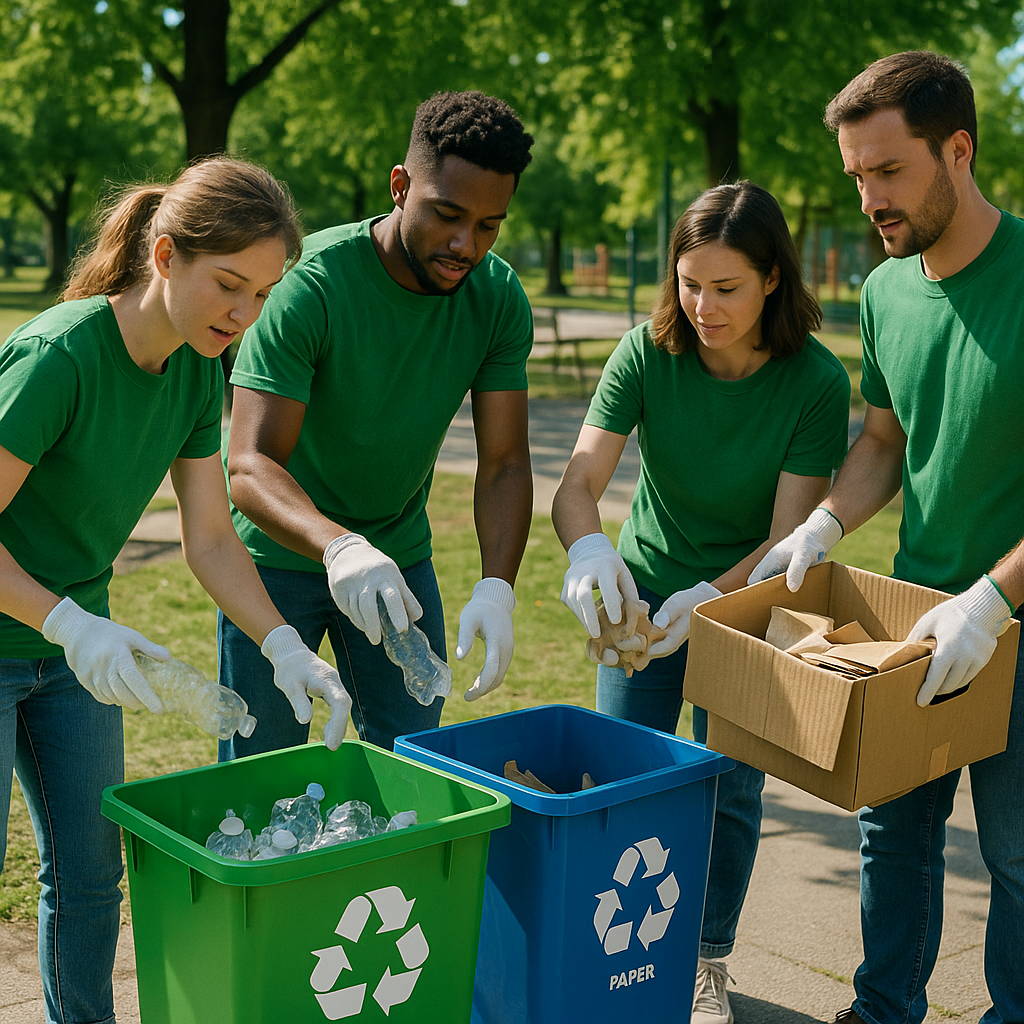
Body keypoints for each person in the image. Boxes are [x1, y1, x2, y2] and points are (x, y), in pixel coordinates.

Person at [0, 158, 352, 1024]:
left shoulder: (199, 370)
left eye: (263, 294)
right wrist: (66, 621)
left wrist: (283, 647)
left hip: (74, 654)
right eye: (229, 285)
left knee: (91, 874)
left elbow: (211, 540)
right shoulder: (58, 356)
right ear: (164, 257)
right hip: (39, 630)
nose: (244, 316)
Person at [750, 50, 1024, 1024]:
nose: (869, 197)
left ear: (957, 149)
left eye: (887, 170)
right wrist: (823, 522)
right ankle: (879, 1011)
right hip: (916, 615)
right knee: (890, 835)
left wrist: (991, 603)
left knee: (1018, 855)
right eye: (855, 177)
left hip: (1016, 620)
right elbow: (882, 438)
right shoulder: (885, 291)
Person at [551, 181, 850, 1024]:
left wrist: (712, 597)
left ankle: (703, 961)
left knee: (730, 791)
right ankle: (619, 953)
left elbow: (793, 535)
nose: (703, 306)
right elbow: (578, 483)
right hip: (641, 598)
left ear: (771, 283)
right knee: (628, 780)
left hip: (751, 603)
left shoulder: (816, 383)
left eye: (726, 288)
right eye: (689, 283)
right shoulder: (649, 352)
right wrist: (590, 550)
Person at [218, 90, 535, 758]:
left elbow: (504, 462)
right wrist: (339, 547)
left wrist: (497, 586)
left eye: (487, 226)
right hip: (276, 560)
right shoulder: (312, 286)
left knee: (414, 767)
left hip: (397, 556)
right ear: (400, 186)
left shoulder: (498, 298)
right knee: (264, 781)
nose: (464, 244)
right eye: (447, 214)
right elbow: (249, 466)